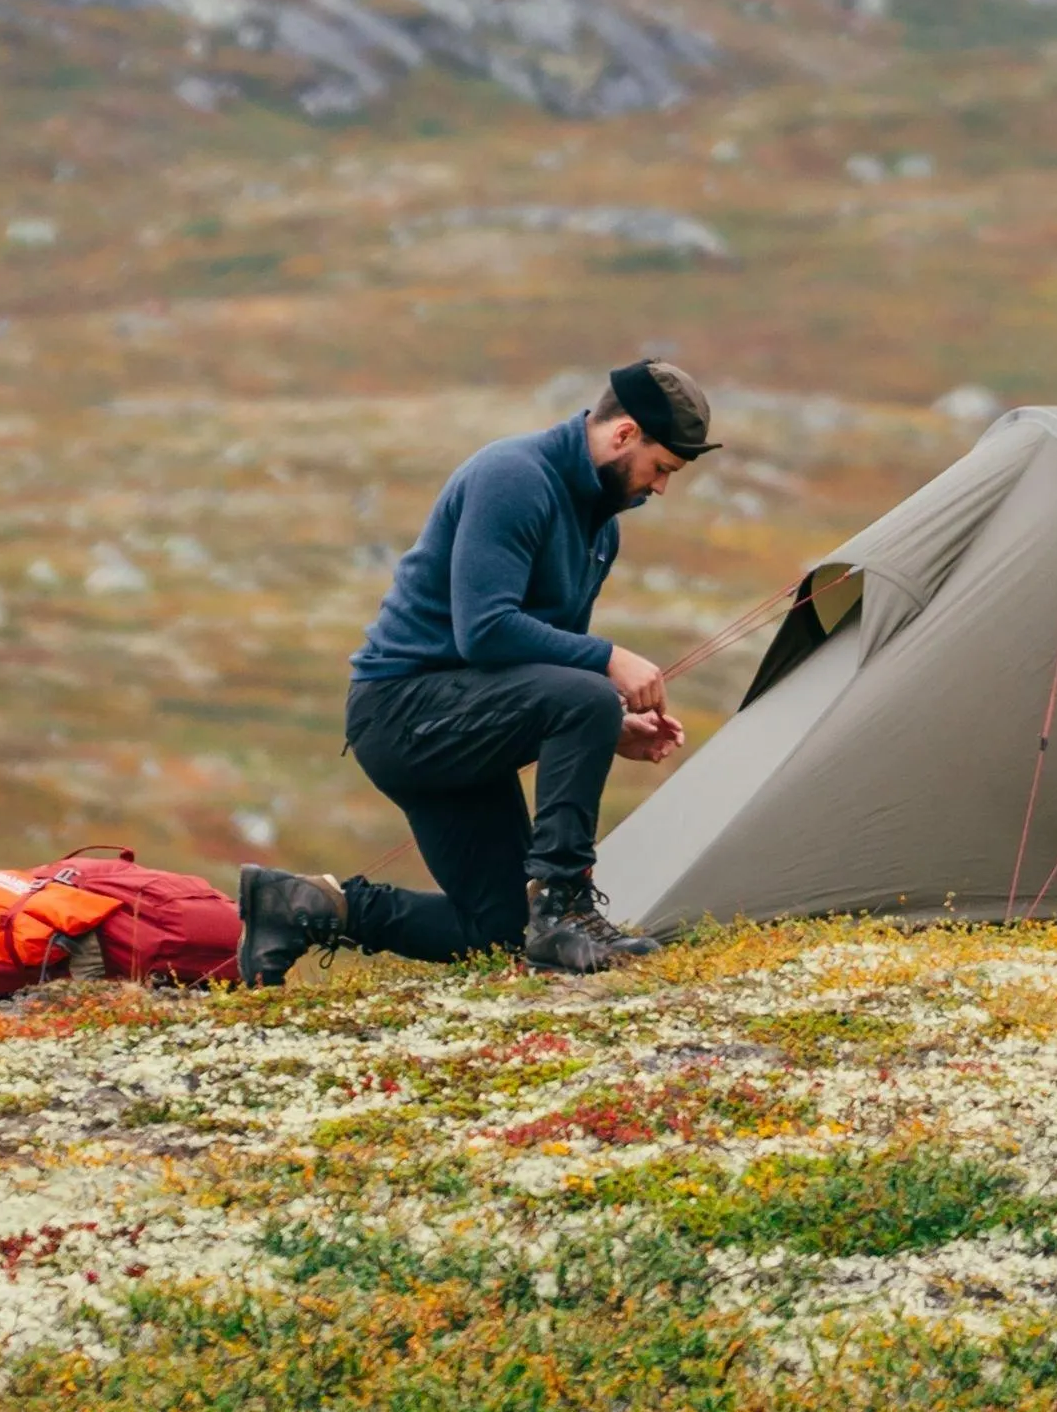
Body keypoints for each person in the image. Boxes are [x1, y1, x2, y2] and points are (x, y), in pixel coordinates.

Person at [239, 353, 713, 982]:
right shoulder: (514, 476)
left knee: (494, 933)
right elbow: (486, 630)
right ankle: (564, 908)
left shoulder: (601, 528)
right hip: (401, 712)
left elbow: (540, 662)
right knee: (587, 697)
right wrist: (606, 665)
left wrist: (607, 725)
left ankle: (302, 906)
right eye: (661, 469)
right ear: (624, 434)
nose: (660, 488)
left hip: (461, 723)